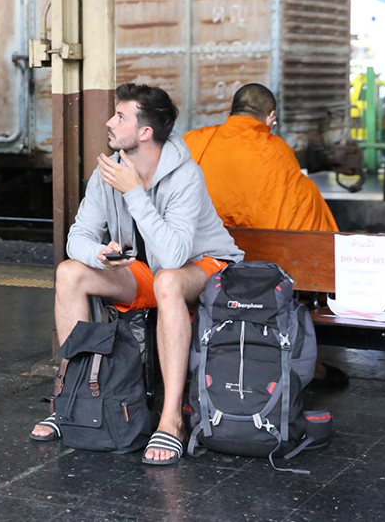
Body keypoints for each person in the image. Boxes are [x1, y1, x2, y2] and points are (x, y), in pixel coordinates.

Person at [29, 84, 244, 466]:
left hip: (206, 268)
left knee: (168, 280)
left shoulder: (185, 176)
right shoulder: (110, 171)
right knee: (70, 274)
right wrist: (99, 253)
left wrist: (133, 193)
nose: (110, 122)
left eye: (121, 117)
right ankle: (74, 399)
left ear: (145, 132)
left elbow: (175, 256)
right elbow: (77, 236)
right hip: (147, 272)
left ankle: (171, 419)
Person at [183, 83, 348, 387]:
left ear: (230, 113)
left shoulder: (194, 141)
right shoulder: (276, 151)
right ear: (270, 117)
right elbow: (301, 222)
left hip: (199, 262)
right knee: (307, 195)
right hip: (266, 270)